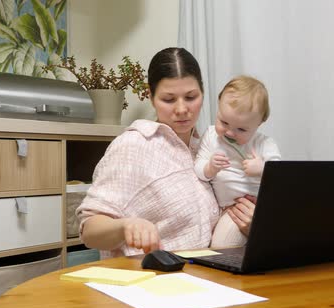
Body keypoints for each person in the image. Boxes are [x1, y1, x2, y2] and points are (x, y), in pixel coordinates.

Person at [76, 47, 256, 258]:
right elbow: (90, 231)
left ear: (203, 93)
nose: (181, 109)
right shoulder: (133, 146)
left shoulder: (208, 146)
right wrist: (126, 227)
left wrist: (248, 225)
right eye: (169, 100)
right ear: (151, 97)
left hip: (206, 277)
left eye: (191, 97)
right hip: (152, 280)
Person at [194, 75, 281, 247]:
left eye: (241, 129)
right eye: (224, 122)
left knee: (222, 246)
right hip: (226, 209)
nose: (230, 133)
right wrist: (210, 168)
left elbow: (279, 175)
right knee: (219, 246)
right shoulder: (211, 136)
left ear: (259, 123)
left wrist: (262, 168)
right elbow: (198, 168)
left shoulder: (263, 144)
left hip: (255, 208)